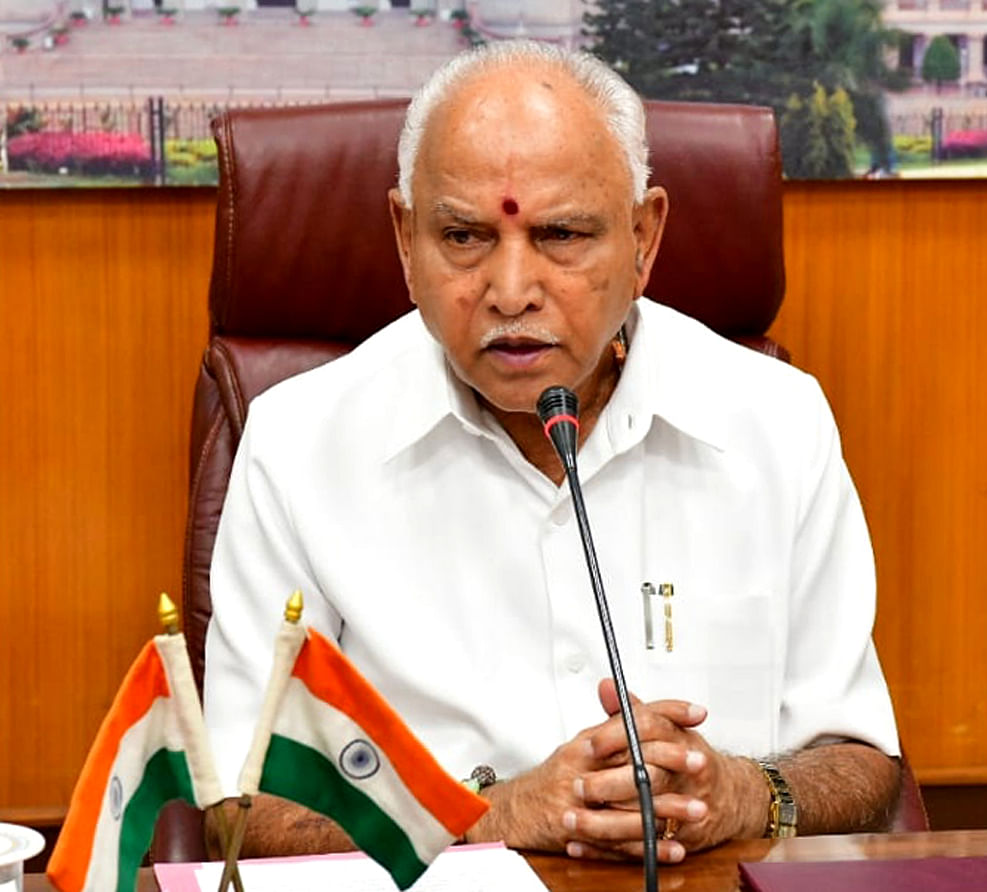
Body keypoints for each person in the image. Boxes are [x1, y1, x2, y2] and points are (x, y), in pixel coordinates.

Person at [204, 39, 901, 864]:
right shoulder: (299, 445)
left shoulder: (776, 422)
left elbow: (861, 760)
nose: (509, 290)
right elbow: (239, 807)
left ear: (644, 238)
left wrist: (741, 793)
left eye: (562, 234)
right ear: (403, 238)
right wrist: (492, 814)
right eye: (462, 237)